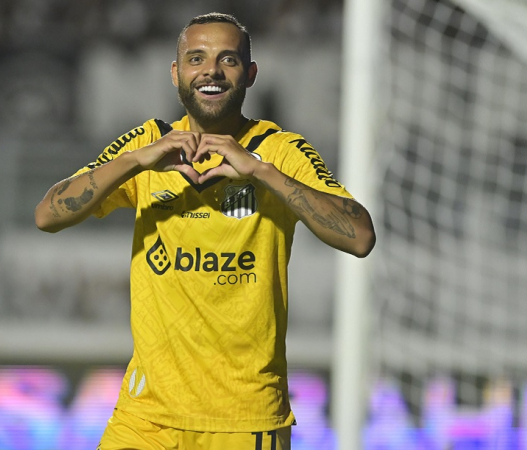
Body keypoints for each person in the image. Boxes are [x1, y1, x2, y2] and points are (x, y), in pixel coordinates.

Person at [35, 12, 375, 450]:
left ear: (250, 75)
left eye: (227, 60)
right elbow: (48, 214)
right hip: (146, 418)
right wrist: (136, 161)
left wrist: (259, 172)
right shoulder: (148, 145)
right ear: (176, 74)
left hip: (243, 419)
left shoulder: (278, 151)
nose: (210, 71)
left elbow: (359, 235)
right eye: (196, 59)